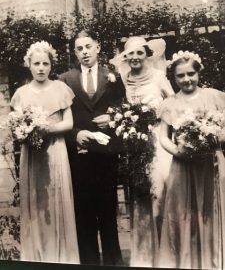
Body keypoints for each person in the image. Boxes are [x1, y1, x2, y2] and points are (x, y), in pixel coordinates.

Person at [59, 30, 125, 266]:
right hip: (79, 154)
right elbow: (60, 116)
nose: (84, 52)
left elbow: (123, 107)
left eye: (88, 46)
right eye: (79, 48)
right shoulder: (65, 79)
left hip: (106, 153)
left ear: (97, 47)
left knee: (108, 210)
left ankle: (112, 260)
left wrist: (112, 117)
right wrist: (76, 134)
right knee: (84, 212)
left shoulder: (112, 76)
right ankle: (88, 261)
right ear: (75, 53)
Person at [10, 41, 80, 263]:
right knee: (36, 202)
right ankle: (36, 255)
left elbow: (69, 123)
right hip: (32, 155)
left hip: (56, 150)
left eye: (45, 63)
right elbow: (17, 129)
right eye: (36, 63)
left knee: (57, 198)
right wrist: (25, 133)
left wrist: (46, 129)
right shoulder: (21, 94)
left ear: (51, 65)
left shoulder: (61, 89)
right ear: (28, 64)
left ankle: (62, 256)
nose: (41, 68)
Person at [110, 36, 174, 267]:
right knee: (140, 195)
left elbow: (173, 104)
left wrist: (156, 116)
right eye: (130, 54)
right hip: (135, 144)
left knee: (160, 191)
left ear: (147, 54)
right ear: (125, 57)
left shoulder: (158, 76)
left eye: (139, 53)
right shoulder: (125, 79)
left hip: (158, 141)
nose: (135, 58)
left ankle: (166, 253)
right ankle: (146, 255)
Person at [158, 50, 225, 269]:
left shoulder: (214, 96)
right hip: (183, 166)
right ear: (174, 78)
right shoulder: (170, 103)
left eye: (191, 74)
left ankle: (214, 260)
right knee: (186, 214)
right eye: (180, 76)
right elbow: (163, 137)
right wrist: (179, 151)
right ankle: (189, 261)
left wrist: (215, 139)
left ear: (198, 72)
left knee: (212, 210)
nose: (187, 79)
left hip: (211, 163)